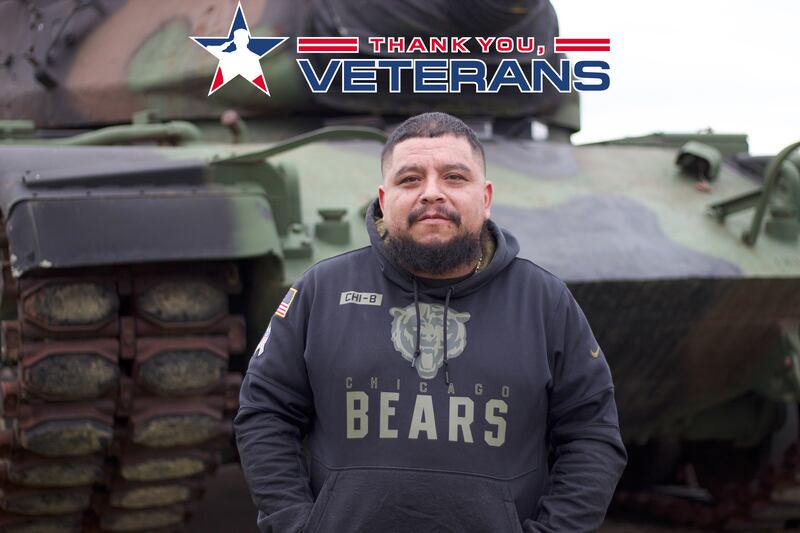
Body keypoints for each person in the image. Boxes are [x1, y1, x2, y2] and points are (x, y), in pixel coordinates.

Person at [235, 112, 627, 533]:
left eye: (455, 177)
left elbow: (591, 433)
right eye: (410, 179)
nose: (431, 193)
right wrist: (295, 525)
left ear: (486, 197)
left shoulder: (543, 300)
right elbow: (265, 412)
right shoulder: (323, 290)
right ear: (384, 199)